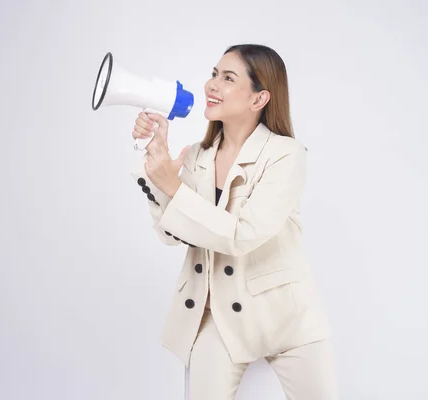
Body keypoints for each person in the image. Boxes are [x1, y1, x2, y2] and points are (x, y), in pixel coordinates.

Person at [130, 44, 339, 400]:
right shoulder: (197, 155)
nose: (212, 84)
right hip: (218, 316)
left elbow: (242, 236)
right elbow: (171, 233)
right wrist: (158, 164)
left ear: (259, 99)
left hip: (287, 316)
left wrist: (172, 184)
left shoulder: (285, 155)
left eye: (228, 78)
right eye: (214, 74)